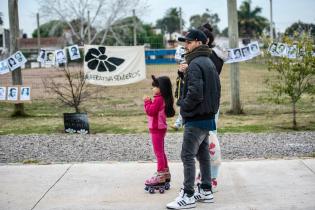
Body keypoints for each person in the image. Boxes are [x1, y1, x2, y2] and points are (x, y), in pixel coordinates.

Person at [166, 29, 220, 209]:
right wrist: (184, 74)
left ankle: (188, 195)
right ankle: (206, 189)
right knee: (202, 154)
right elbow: (213, 90)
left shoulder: (196, 63)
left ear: (198, 42)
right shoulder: (208, 62)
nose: (185, 46)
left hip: (196, 117)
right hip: (207, 117)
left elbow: (195, 93)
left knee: (187, 155)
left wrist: (184, 107)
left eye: (188, 42)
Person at [197, 23, 226, 193]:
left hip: (208, 103)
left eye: (195, 39)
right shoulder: (208, 55)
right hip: (204, 103)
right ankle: (206, 174)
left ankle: (211, 177)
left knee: (209, 140)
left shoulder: (212, 57)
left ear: (205, 40)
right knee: (204, 140)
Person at [143, 75, 175, 192]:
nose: (153, 89)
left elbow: (150, 111)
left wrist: (147, 102)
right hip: (160, 128)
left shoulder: (158, 99)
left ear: (161, 88)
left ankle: (160, 175)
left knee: (158, 152)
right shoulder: (161, 98)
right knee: (161, 151)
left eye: (155, 86)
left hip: (156, 128)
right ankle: (165, 173)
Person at [171, 45, 186, 130]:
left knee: (183, 109)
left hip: (185, 96)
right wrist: (177, 94)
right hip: (181, 95)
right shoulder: (179, 75)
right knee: (182, 109)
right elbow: (179, 85)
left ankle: (178, 124)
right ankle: (179, 123)